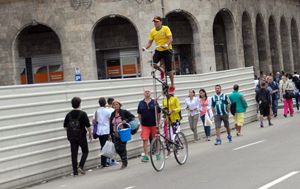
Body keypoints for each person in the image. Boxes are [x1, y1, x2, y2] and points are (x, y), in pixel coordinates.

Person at [143, 16, 175, 93]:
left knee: (169, 70)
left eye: (157, 21)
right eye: (154, 22)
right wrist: (145, 47)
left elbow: (170, 38)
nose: (155, 23)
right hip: (158, 50)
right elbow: (150, 42)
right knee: (153, 64)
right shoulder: (152, 31)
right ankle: (162, 71)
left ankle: (173, 84)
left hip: (167, 50)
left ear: (161, 22)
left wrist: (167, 44)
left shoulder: (166, 28)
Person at [63, 97, 92, 176]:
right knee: (85, 151)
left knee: (74, 154)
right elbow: (88, 126)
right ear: (79, 104)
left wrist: (71, 132)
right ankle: (81, 166)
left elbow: (65, 126)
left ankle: (75, 171)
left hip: (72, 137)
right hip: (81, 136)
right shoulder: (83, 114)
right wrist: (90, 134)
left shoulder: (68, 115)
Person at [109, 100, 135, 169]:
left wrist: (125, 121)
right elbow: (110, 124)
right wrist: (110, 133)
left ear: (119, 105)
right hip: (115, 134)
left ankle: (124, 163)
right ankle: (124, 159)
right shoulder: (112, 114)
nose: (115, 106)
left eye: (116, 104)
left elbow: (132, 116)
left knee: (123, 148)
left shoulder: (123, 112)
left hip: (123, 132)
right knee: (117, 149)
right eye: (114, 105)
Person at [137, 88, 161, 162]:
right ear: (144, 93)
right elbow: (139, 114)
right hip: (145, 125)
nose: (147, 93)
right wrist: (141, 122)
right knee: (145, 139)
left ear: (150, 93)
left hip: (154, 124)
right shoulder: (141, 103)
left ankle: (158, 154)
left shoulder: (154, 102)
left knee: (156, 139)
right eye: (145, 92)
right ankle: (146, 155)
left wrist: (158, 123)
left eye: (148, 92)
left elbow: (159, 112)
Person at [93, 97, 111, 168]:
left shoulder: (96, 111)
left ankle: (104, 162)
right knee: (104, 146)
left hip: (99, 131)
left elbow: (94, 121)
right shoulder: (108, 111)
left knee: (102, 145)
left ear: (99, 103)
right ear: (105, 103)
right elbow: (110, 120)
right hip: (106, 130)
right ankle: (104, 162)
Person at [162, 89, 181, 155]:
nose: (166, 93)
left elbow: (179, 108)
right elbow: (164, 110)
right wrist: (164, 117)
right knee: (170, 136)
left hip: (175, 119)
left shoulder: (175, 98)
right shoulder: (164, 100)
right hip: (168, 120)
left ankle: (177, 150)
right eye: (165, 92)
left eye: (167, 92)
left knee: (174, 135)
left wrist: (173, 110)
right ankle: (172, 150)